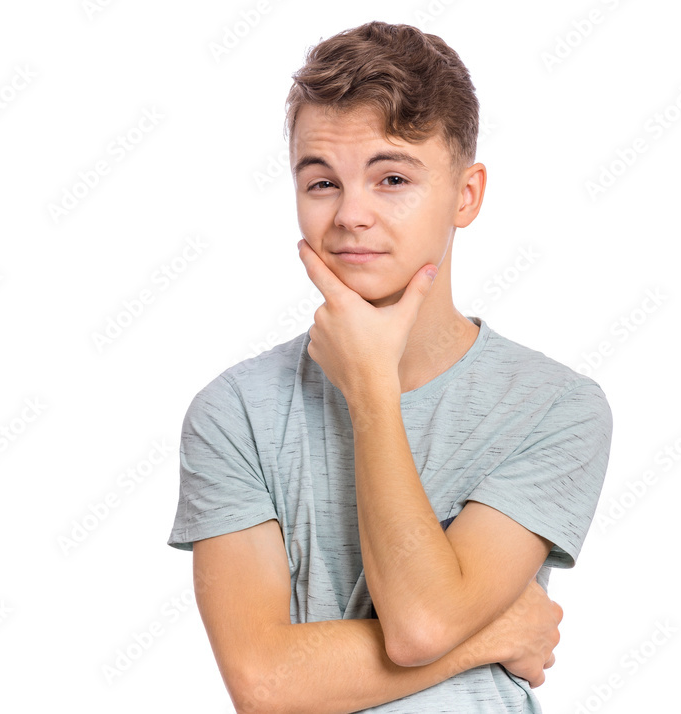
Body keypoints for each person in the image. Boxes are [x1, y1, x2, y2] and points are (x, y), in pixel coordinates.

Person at [167, 20, 613, 713]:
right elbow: (264, 683)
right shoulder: (235, 412)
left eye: (392, 178)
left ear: (466, 195)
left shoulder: (554, 406)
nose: (351, 216)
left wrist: (369, 390)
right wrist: (487, 635)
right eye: (321, 183)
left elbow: (421, 623)